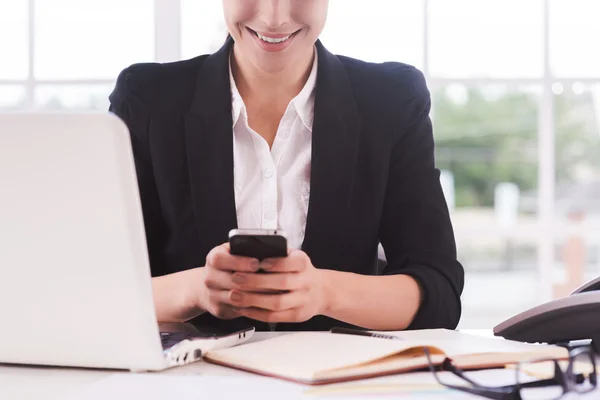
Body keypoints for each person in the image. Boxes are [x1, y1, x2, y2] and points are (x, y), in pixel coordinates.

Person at [108, 0, 464, 332]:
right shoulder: (147, 100)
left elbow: (439, 293)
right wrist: (194, 290)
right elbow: (95, 289)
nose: (274, 18)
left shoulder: (391, 100)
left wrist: (324, 292)